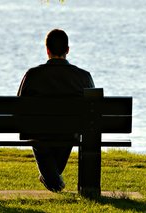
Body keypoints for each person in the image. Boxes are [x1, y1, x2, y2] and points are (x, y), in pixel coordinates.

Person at [17, 29, 95, 192]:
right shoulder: (83, 77)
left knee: (38, 134)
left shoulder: (32, 75)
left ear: (47, 50)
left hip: (39, 132)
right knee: (70, 129)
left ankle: (52, 178)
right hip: (70, 131)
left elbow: (19, 109)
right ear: (67, 50)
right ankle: (52, 178)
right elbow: (92, 112)